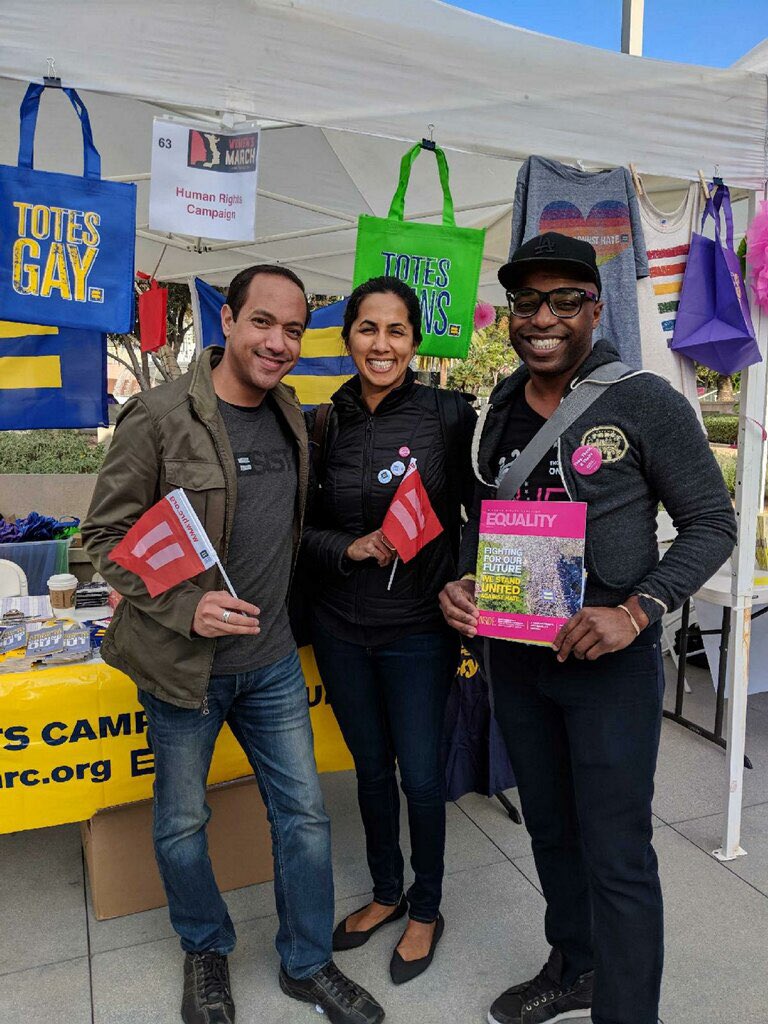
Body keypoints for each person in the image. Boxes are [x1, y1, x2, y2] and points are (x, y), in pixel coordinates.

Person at [439, 232, 737, 1024]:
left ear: (595, 308)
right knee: (550, 830)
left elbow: (711, 523)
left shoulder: (642, 400)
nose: (543, 317)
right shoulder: (497, 408)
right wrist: (462, 585)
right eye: (527, 302)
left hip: (611, 666)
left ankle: (628, 1009)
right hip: (520, 659)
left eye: (564, 300)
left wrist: (637, 610)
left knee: (617, 852)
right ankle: (574, 966)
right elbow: (484, 519)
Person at [82, 265, 384, 1024]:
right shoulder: (157, 417)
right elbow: (101, 540)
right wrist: (188, 607)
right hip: (184, 669)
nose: (278, 342)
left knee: (306, 819)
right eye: (263, 323)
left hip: (274, 662)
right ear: (227, 321)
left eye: (293, 330)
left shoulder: (292, 414)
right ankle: (206, 950)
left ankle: (307, 964)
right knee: (183, 823)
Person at [301, 276, 476, 984]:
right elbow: (298, 527)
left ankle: (427, 907)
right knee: (369, 771)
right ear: (347, 339)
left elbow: (480, 510)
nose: (382, 344)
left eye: (396, 330)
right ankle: (385, 891)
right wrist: (346, 547)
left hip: (418, 630)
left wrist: (463, 582)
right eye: (368, 329)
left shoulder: (448, 416)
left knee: (423, 777)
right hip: (342, 625)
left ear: (414, 339)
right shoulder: (321, 422)